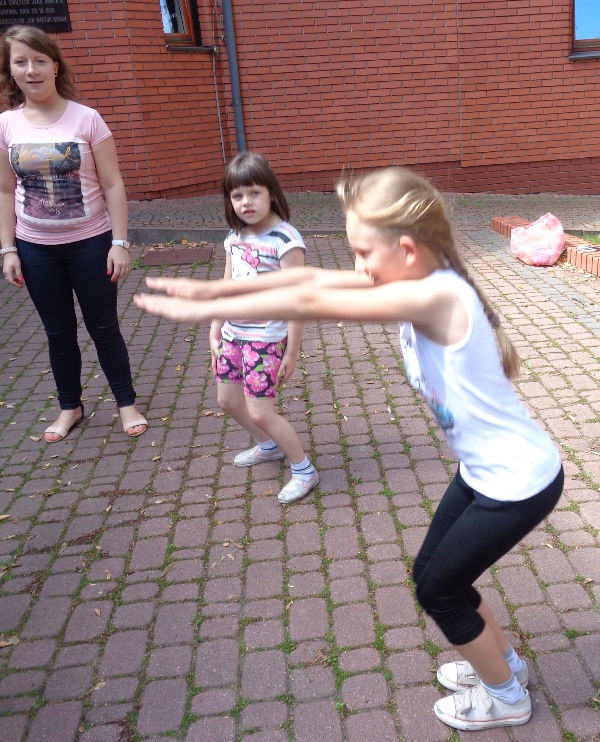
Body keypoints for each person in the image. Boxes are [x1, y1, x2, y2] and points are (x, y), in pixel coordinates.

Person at [134, 166, 564, 731]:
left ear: (405, 250)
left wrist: (206, 301)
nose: (358, 267)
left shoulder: (438, 296)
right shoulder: (417, 279)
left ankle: (506, 697)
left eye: (363, 252)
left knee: (439, 588)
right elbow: (313, 280)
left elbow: (313, 298)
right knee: (434, 573)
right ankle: (503, 666)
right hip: (487, 473)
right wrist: (216, 292)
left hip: (518, 484)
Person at [0, 25, 148, 442]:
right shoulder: (6, 125)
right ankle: (71, 407)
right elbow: (5, 190)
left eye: (39, 60)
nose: (31, 70)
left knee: (104, 328)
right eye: (21, 62)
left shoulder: (86, 118)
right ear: (10, 70)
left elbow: (113, 184)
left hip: (91, 244)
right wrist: (8, 249)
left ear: (55, 66)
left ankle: (125, 402)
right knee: (58, 333)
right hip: (36, 249)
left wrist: (119, 243)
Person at [210, 151, 318, 504]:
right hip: (232, 336)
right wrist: (215, 327)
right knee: (227, 400)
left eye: (254, 192)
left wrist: (291, 351)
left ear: (271, 192)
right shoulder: (234, 236)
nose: (246, 202)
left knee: (260, 411)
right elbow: (227, 285)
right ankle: (268, 447)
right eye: (237, 195)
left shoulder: (285, 240)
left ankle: (304, 469)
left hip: (265, 342)